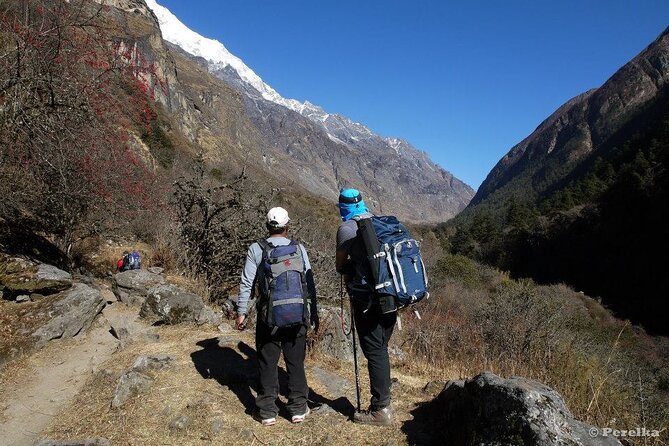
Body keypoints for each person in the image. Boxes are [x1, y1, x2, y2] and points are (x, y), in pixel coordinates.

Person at [236, 206, 319, 426]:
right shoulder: (299, 249)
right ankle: (298, 408)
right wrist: (312, 312)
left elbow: (247, 283)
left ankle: (267, 411)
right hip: (297, 315)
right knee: (295, 362)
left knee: (267, 362)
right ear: (287, 226)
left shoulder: (257, 248)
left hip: (269, 317)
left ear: (267, 225)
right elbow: (309, 283)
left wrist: (241, 312)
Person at [335, 188, 397, 426]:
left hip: (368, 301)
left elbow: (340, 265)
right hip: (391, 297)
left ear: (343, 207)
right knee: (380, 348)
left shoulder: (347, 228)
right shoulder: (379, 222)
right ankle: (384, 397)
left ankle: (381, 410)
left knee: (374, 350)